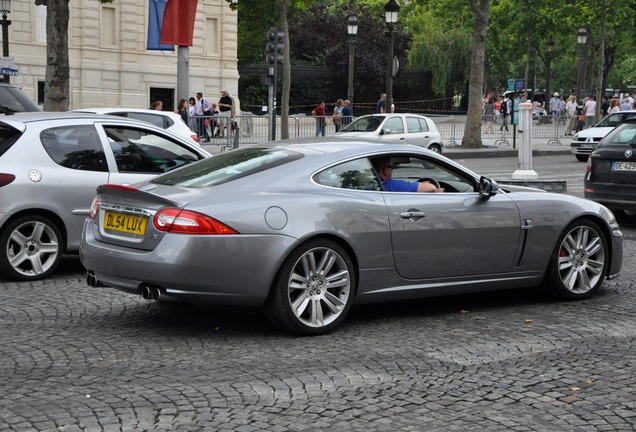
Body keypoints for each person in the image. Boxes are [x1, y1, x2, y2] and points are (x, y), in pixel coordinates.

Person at [374, 158, 444, 193]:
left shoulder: (370, 183)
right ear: (385, 170)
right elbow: (431, 187)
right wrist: (436, 190)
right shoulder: (392, 185)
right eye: (391, 168)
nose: (391, 171)